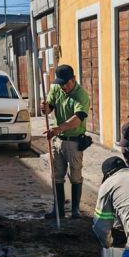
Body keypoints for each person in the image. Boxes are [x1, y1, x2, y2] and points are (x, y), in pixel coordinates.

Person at [40, 65, 91, 219]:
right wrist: (45, 108)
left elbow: (76, 120)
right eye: (61, 84)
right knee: (57, 175)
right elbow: (49, 108)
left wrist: (58, 129)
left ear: (74, 79)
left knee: (75, 175)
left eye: (67, 83)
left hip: (74, 141)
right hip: (57, 140)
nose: (64, 87)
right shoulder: (56, 89)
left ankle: (75, 210)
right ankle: (58, 209)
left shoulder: (81, 96)